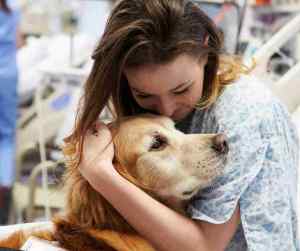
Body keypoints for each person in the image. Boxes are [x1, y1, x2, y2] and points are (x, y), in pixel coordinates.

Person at [66, 0, 299, 250]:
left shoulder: (245, 115)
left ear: (206, 55)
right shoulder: (129, 111)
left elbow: (202, 247)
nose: (166, 109)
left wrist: (100, 174)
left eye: (181, 89)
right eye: (144, 95)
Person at [0, 0, 22, 225]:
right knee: (6, 135)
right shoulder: (13, 10)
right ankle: (4, 185)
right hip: (8, 75)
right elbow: (19, 42)